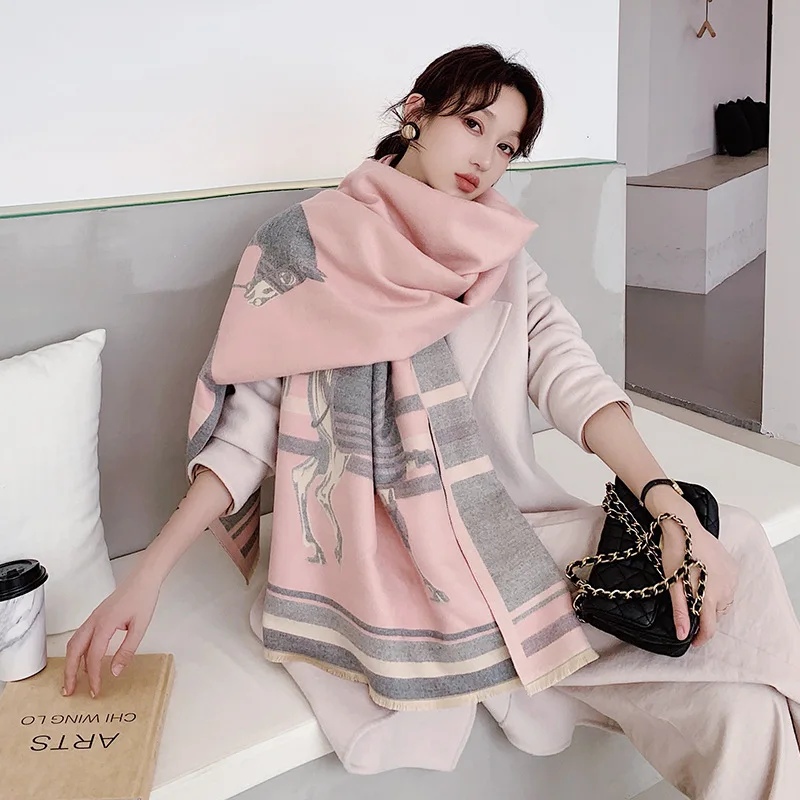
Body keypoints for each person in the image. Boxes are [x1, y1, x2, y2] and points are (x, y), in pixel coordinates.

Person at [62, 45, 800, 798]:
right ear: (416, 112)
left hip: (500, 530)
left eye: (507, 145)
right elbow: (245, 435)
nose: (486, 158)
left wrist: (666, 500)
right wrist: (144, 579)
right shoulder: (302, 245)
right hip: (379, 566)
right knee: (736, 574)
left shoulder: (500, 254)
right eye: (474, 124)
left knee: (746, 709)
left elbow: (570, 374)